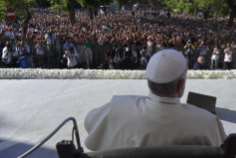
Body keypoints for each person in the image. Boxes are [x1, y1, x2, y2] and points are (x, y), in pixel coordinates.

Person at [84, 49, 226, 151]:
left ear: (149, 81)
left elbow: (89, 123)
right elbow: (224, 148)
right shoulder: (207, 120)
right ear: (181, 85)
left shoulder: (117, 106)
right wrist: (192, 111)